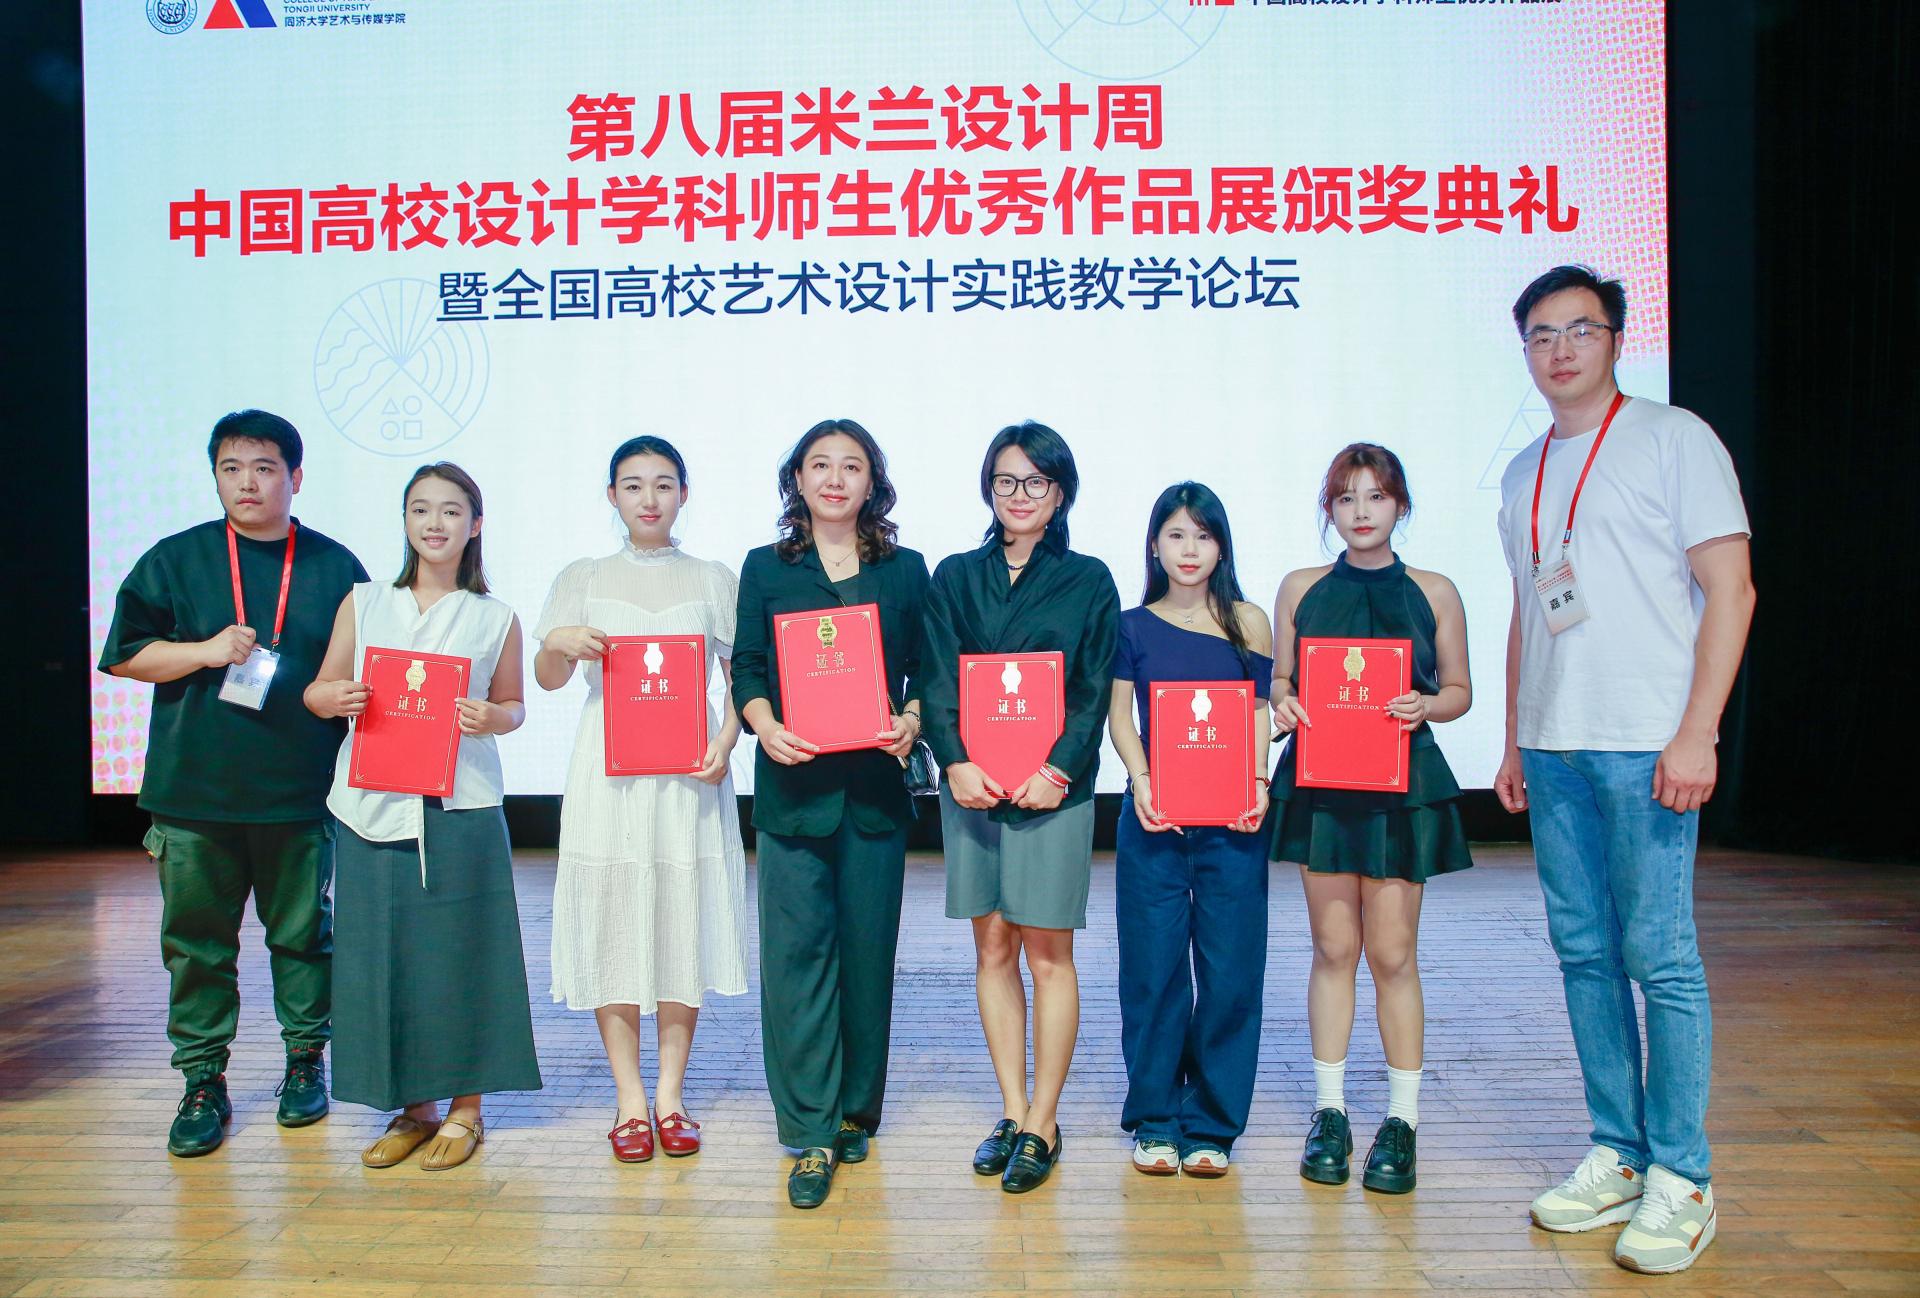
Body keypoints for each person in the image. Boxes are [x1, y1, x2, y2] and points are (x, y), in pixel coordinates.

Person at [1494, 265, 1754, 1275]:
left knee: (1661, 955)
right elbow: (1529, 607)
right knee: (1584, 953)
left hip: (1649, 738)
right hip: (1554, 744)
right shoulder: (1522, 470)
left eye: (1580, 329)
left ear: (1616, 338)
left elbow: (1731, 589)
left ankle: (1683, 1177)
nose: (1560, 350)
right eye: (1541, 335)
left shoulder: (1673, 438)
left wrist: (1700, 731)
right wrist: (1513, 736)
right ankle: (1619, 1149)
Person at [99, 409, 367, 1157]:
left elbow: (363, 670)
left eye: (264, 468)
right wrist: (205, 651)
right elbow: (124, 656)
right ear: (216, 476)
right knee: (197, 946)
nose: (247, 482)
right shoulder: (175, 559)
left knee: (304, 938)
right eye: (232, 468)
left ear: (296, 477)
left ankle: (305, 1063)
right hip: (194, 794)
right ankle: (202, 1080)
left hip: (298, 791)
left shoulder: (335, 567)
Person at [306, 462, 541, 1171]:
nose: (434, 523)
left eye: (450, 510)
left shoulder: (494, 616)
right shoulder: (365, 602)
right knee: (386, 957)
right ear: (405, 521)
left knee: (465, 955)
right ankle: (414, 1109)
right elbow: (319, 689)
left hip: (459, 808)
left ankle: (466, 1110)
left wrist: (493, 717)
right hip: (371, 807)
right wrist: (334, 699)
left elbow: (515, 706)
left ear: (476, 524)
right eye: (420, 509)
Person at [730, 418, 928, 1209]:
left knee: (867, 959)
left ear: (872, 482)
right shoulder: (766, 566)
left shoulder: (906, 570)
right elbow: (748, 666)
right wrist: (763, 723)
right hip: (794, 794)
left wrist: (912, 720)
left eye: (852, 466)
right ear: (798, 479)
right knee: (796, 962)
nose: (836, 479)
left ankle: (853, 1112)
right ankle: (809, 1128)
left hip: (875, 795)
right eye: (821, 465)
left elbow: (927, 672)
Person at [533, 436, 748, 1164]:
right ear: (612, 496)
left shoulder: (713, 579)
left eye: (662, 484)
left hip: (689, 777)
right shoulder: (583, 577)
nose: (648, 498)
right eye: (632, 485)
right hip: (609, 779)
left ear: (683, 493)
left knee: (681, 920)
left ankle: (671, 1096)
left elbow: (740, 680)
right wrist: (559, 642)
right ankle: (629, 1100)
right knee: (613, 923)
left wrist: (727, 741)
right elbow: (548, 678)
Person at [1269, 444, 1473, 1196]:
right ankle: (1330, 1112)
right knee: (1332, 947)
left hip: (1399, 787)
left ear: (1400, 505)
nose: (1361, 511)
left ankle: (1402, 1120)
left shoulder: (1435, 591)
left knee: (1392, 954)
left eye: (1376, 497)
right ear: (1330, 509)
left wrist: (1427, 705)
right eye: (1346, 498)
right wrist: (1285, 702)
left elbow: (1459, 691)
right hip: (1323, 784)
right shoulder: (1300, 587)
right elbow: (1281, 678)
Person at [921, 421, 1119, 1195]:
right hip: (973, 788)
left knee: (1048, 955)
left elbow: (1093, 688)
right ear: (989, 488)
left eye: (1035, 481)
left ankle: (1044, 1120)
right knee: (993, 949)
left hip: (1052, 792)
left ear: (1059, 492)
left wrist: (1059, 769)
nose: (1019, 495)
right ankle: (1011, 1109)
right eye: (1006, 481)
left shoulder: (1088, 580)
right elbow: (937, 677)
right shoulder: (955, 575)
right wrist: (955, 761)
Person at [1106, 482, 1273, 1178]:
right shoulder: (1131, 625)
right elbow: (1120, 717)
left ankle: (1212, 1124)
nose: (1189, 549)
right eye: (1176, 535)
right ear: (1155, 545)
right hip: (1154, 819)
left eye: (1203, 536)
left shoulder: (1249, 621)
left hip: (1234, 822)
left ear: (1221, 547)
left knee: (1232, 971)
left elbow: (1258, 711)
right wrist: (1143, 780)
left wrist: (1258, 782)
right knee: (1152, 972)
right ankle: (1155, 1119)